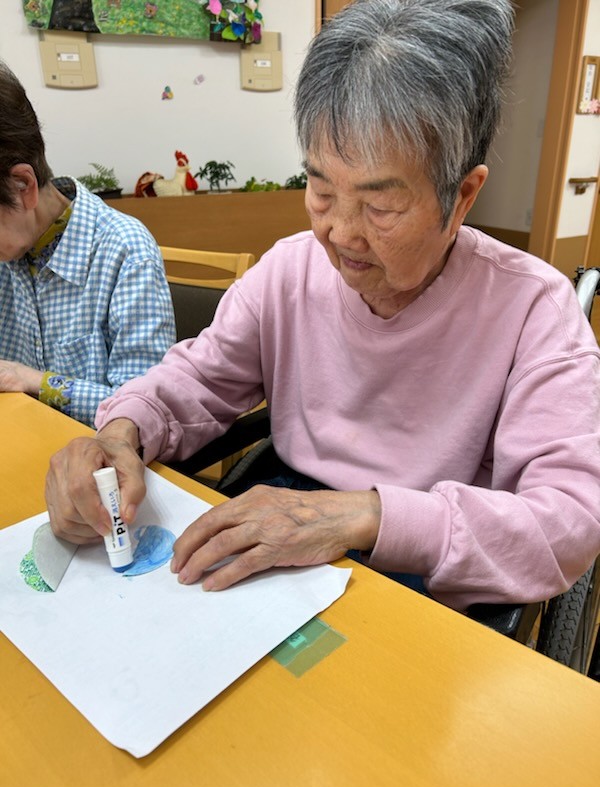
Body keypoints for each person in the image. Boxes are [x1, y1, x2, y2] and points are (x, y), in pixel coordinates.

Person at [45, 0, 600, 612]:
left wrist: (362, 517)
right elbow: (199, 378)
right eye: (320, 189)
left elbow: (568, 524)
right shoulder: (289, 269)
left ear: (463, 196)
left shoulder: (534, 310)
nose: (340, 234)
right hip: (282, 514)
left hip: (427, 561)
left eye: (380, 207)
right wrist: (121, 434)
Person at [0, 60, 176, 427]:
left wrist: (34, 382)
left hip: (96, 453)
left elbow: (145, 408)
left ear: (22, 186)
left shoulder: (125, 252)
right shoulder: (11, 250)